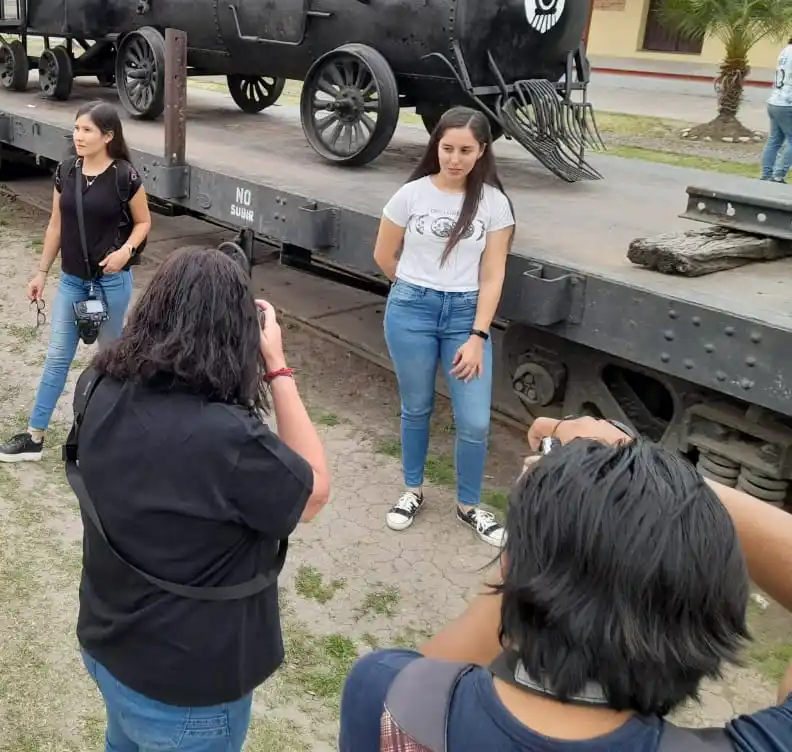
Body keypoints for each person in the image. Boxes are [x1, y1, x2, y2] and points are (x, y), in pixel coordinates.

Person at [338, 413, 792, 752]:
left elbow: (430, 676)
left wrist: (557, 511)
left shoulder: (387, 694)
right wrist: (675, 490)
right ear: (716, 609)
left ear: (512, 567)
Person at [69, 246, 331, 751]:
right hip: (185, 684)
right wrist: (277, 367)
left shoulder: (98, 385)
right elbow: (315, 491)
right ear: (238, 336)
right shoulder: (227, 439)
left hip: (109, 642)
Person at [372, 107, 514, 548]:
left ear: (482, 151)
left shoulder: (494, 203)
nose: (454, 159)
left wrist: (478, 335)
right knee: (416, 408)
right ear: (436, 146)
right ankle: (412, 490)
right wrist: (413, 288)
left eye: (465, 150)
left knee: (474, 420)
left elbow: (493, 274)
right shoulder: (410, 195)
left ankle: (468, 505)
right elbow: (383, 255)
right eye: (447, 148)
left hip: (466, 318)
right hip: (411, 311)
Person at [0, 100, 152, 463]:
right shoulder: (66, 171)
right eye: (76, 129)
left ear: (108, 136)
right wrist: (41, 271)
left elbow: (143, 223)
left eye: (87, 130)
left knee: (112, 362)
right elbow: (55, 225)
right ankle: (34, 436)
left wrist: (126, 251)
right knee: (57, 359)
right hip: (72, 282)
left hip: (111, 284)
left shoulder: (125, 176)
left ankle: (118, 436)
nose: (78, 136)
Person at [760, 36, 792, 183]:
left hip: (775, 101)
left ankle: (766, 174)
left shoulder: (784, 51)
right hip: (788, 103)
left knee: (774, 141)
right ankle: (778, 175)